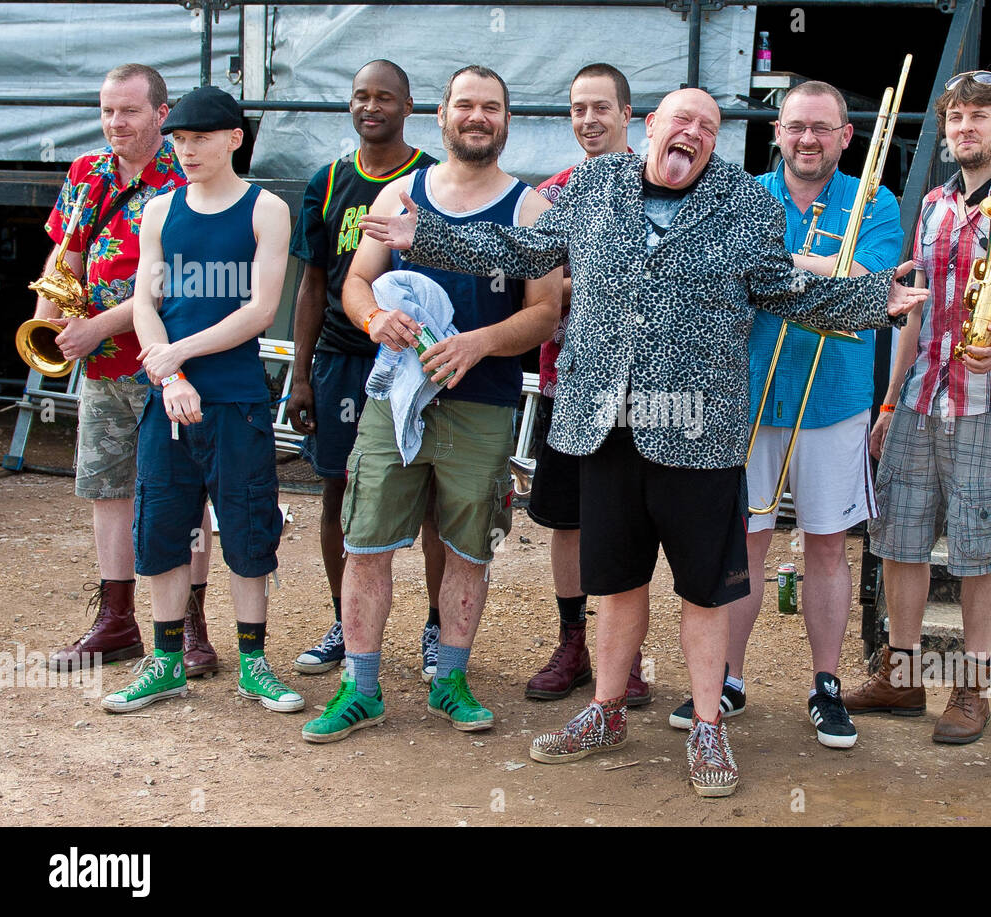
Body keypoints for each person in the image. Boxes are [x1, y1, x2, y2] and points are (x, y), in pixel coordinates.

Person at [360, 87, 928, 797]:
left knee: (703, 590)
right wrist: (429, 236)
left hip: (698, 428)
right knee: (617, 579)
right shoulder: (593, 183)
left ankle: (709, 725)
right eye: (680, 120)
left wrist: (874, 300)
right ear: (652, 127)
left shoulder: (744, 204)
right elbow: (526, 246)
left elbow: (783, 290)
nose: (692, 132)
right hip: (606, 423)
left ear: (715, 142)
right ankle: (604, 710)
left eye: (708, 127)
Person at [300, 65, 562, 743]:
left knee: (469, 548)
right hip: (395, 400)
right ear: (441, 115)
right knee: (367, 542)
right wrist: (371, 321)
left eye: (492, 108)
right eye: (466, 104)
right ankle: (361, 689)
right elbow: (357, 281)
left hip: (481, 404)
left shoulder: (531, 209)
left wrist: (478, 343)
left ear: (508, 121)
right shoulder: (399, 196)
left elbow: (542, 315)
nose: (478, 117)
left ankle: (449, 679)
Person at [667, 80, 903, 750]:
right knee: (743, 544)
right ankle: (729, 680)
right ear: (777, 130)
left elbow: (867, 285)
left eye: (822, 128)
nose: (807, 139)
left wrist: (779, 265)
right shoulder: (740, 194)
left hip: (832, 399)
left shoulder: (874, 201)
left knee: (827, 544)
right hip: (744, 396)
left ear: (845, 135)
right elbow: (720, 273)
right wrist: (816, 267)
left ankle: (825, 683)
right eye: (796, 126)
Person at [842, 70, 991, 745]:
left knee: (980, 549)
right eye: (956, 117)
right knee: (900, 539)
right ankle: (903, 674)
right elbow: (916, 315)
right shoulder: (933, 203)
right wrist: (888, 397)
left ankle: (972, 685)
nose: (965, 128)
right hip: (919, 395)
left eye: (979, 117)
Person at [102, 85, 300, 714]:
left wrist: (179, 357)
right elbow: (146, 304)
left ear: (235, 139)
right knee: (160, 525)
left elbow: (262, 310)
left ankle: (253, 664)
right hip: (170, 398)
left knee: (246, 527)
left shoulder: (266, 209)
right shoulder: (160, 210)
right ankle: (164, 663)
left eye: (201, 139)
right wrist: (169, 377)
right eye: (180, 140)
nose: (187, 150)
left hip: (236, 399)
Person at [38, 64, 215, 678]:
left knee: (186, 496)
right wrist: (48, 320)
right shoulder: (86, 172)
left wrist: (94, 328)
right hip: (105, 366)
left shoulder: (184, 174)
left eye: (130, 111)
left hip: (170, 359)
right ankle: (117, 622)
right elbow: (67, 250)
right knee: (108, 491)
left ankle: (192, 626)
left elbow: (174, 282)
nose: (116, 123)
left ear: (161, 115)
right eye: (109, 111)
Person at [285, 61, 446, 681]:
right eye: (360, 96)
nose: (370, 106)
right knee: (336, 492)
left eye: (385, 97)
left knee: (432, 494)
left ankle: (436, 627)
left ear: (409, 106)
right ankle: (342, 622)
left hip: (413, 358)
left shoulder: (431, 179)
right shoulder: (327, 181)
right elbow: (313, 283)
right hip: (342, 359)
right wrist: (300, 376)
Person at [524, 62, 650, 706]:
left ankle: (624, 659)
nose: (588, 120)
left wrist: (586, 281)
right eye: (577, 109)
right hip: (564, 383)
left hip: (638, 392)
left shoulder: (661, 188)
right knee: (567, 520)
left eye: (602, 108)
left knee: (627, 521)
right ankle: (573, 642)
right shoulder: (553, 194)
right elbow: (531, 283)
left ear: (629, 115)